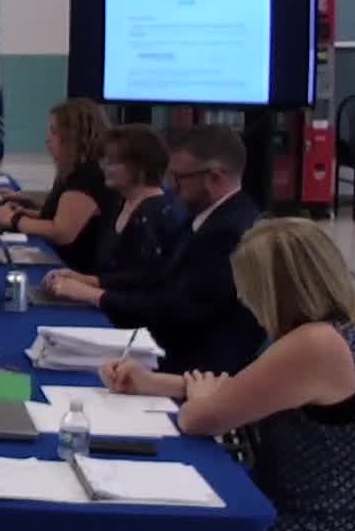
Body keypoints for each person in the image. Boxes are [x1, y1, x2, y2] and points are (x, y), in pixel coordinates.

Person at [102, 218, 355, 531]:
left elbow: (199, 419)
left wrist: (199, 401)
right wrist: (153, 383)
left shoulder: (314, 345)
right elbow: (251, 391)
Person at [65, 124, 266, 376]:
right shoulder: (210, 216)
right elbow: (157, 276)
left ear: (214, 178)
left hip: (192, 370)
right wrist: (93, 283)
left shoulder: (228, 233)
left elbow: (174, 309)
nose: (171, 186)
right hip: (171, 350)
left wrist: (97, 296)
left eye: (179, 178)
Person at [42, 124, 187, 302]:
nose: (104, 167)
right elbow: (121, 276)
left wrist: (85, 290)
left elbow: (146, 286)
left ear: (140, 167)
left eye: (113, 162)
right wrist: (83, 279)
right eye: (106, 160)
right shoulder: (120, 202)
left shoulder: (159, 215)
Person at [0, 99, 116, 273]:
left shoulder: (89, 175)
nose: (47, 139)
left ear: (74, 137)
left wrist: (14, 219)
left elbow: (62, 232)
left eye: (54, 131)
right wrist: (24, 210)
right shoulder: (72, 169)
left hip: (76, 272)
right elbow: (59, 215)